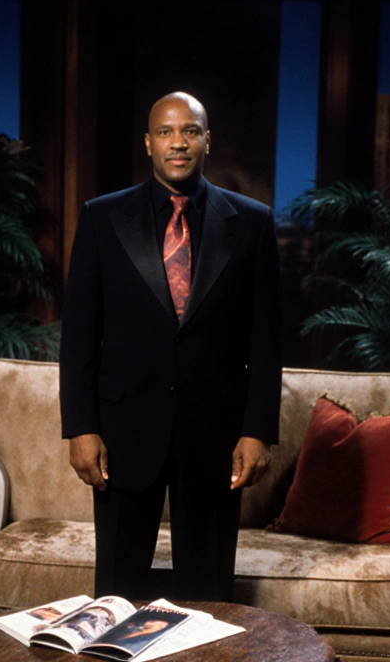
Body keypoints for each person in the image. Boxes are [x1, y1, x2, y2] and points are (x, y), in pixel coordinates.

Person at [59, 91, 281, 602]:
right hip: (121, 433)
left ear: (207, 140)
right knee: (117, 595)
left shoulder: (251, 223)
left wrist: (257, 431)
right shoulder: (101, 218)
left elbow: (266, 341)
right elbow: (78, 337)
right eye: (165, 132)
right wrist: (82, 427)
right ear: (148, 143)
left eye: (189, 131)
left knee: (208, 599)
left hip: (215, 435)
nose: (177, 143)